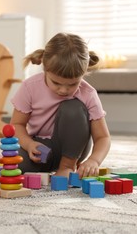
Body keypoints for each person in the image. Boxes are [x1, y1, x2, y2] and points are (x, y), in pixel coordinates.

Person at [10, 33, 111, 179]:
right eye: (56, 83)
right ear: (45, 69)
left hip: (74, 148)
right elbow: (17, 125)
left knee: (73, 109)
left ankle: (67, 166)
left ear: (83, 74)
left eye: (72, 84)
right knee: (15, 165)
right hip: (40, 146)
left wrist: (94, 160)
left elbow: (103, 137)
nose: (63, 90)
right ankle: (47, 167)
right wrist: (29, 144)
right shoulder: (29, 87)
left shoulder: (87, 93)